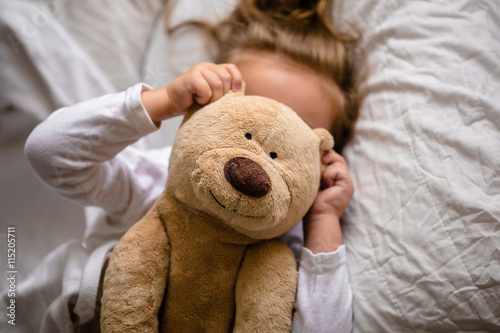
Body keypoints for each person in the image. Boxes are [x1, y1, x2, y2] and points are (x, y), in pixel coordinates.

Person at [18, 0, 362, 331]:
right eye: (250, 118)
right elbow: (49, 155)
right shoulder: (161, 180)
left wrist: (323, 220)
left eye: (294, 135)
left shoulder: (295, 237)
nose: (255, 159)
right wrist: (162, 101)